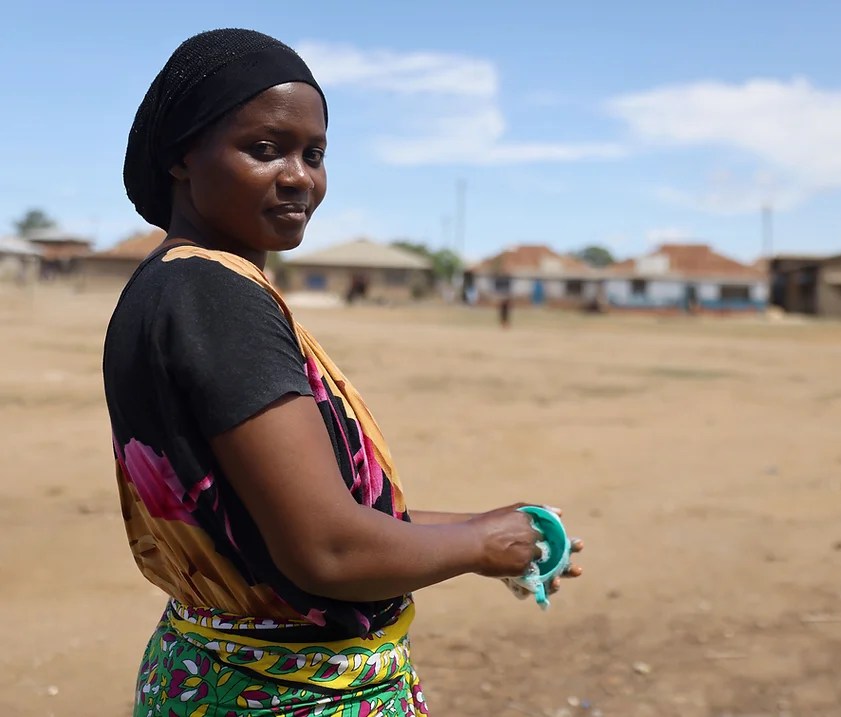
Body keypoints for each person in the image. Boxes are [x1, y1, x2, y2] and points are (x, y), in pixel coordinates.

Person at [104, 29, 582, 717]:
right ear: (183, 153)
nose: (299, 176)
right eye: (264, 149)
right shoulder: (216, 298)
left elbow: (291, 513)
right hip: (290, 694)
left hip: (206, 670)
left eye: (314, 153)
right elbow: (326, 548)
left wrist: (498, 525)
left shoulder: (164, 285)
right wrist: (480, 545)